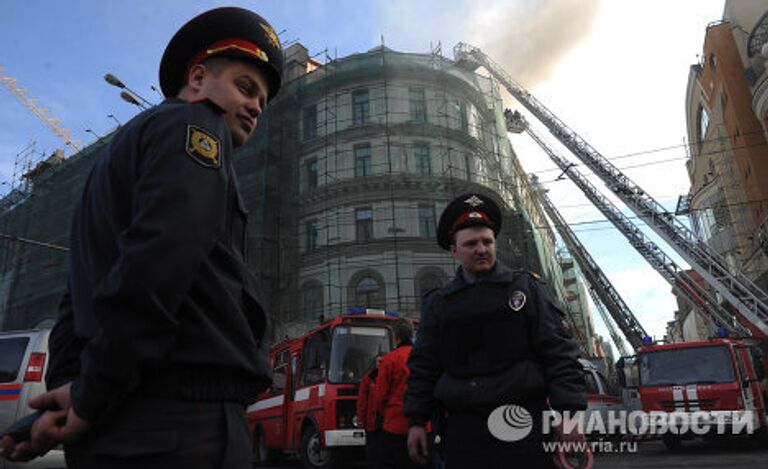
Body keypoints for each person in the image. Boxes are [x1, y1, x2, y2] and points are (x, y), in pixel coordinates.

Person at [0, 7, 283, 468]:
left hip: (119, 423)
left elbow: (77, 299)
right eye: (245, 87)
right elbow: (160, 260)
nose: (255, 106)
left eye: (263, 101)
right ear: (197, 79)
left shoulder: (116, 159)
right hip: (182, 424)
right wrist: (90, 395)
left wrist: (72, 397)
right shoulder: (196, 126)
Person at [404, 193, 586, 468]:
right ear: (454, 250)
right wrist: (417, 421)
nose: (481, 249)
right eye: (471, 244)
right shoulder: (439, 304)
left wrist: (569, 416)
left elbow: (559, 353)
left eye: (487, 242)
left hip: (523, 422)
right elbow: (424, 366)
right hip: (465, 430)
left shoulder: (526, 289)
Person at [375, 318, 422, 469]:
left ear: (396, 337)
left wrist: (384, 414)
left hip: (395, 425)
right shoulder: (423, 358)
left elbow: (380, 396)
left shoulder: (389, 360)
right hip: (423, 424)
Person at [357, 353, 384, 467]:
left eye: (382, 361)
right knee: (372, 451)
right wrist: (360, 419)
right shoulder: (368, 378)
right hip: (371, 422)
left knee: (383, 451)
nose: (380, 364)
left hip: (385, 422)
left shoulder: (388, 376)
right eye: (379, 361)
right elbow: (362, 400)